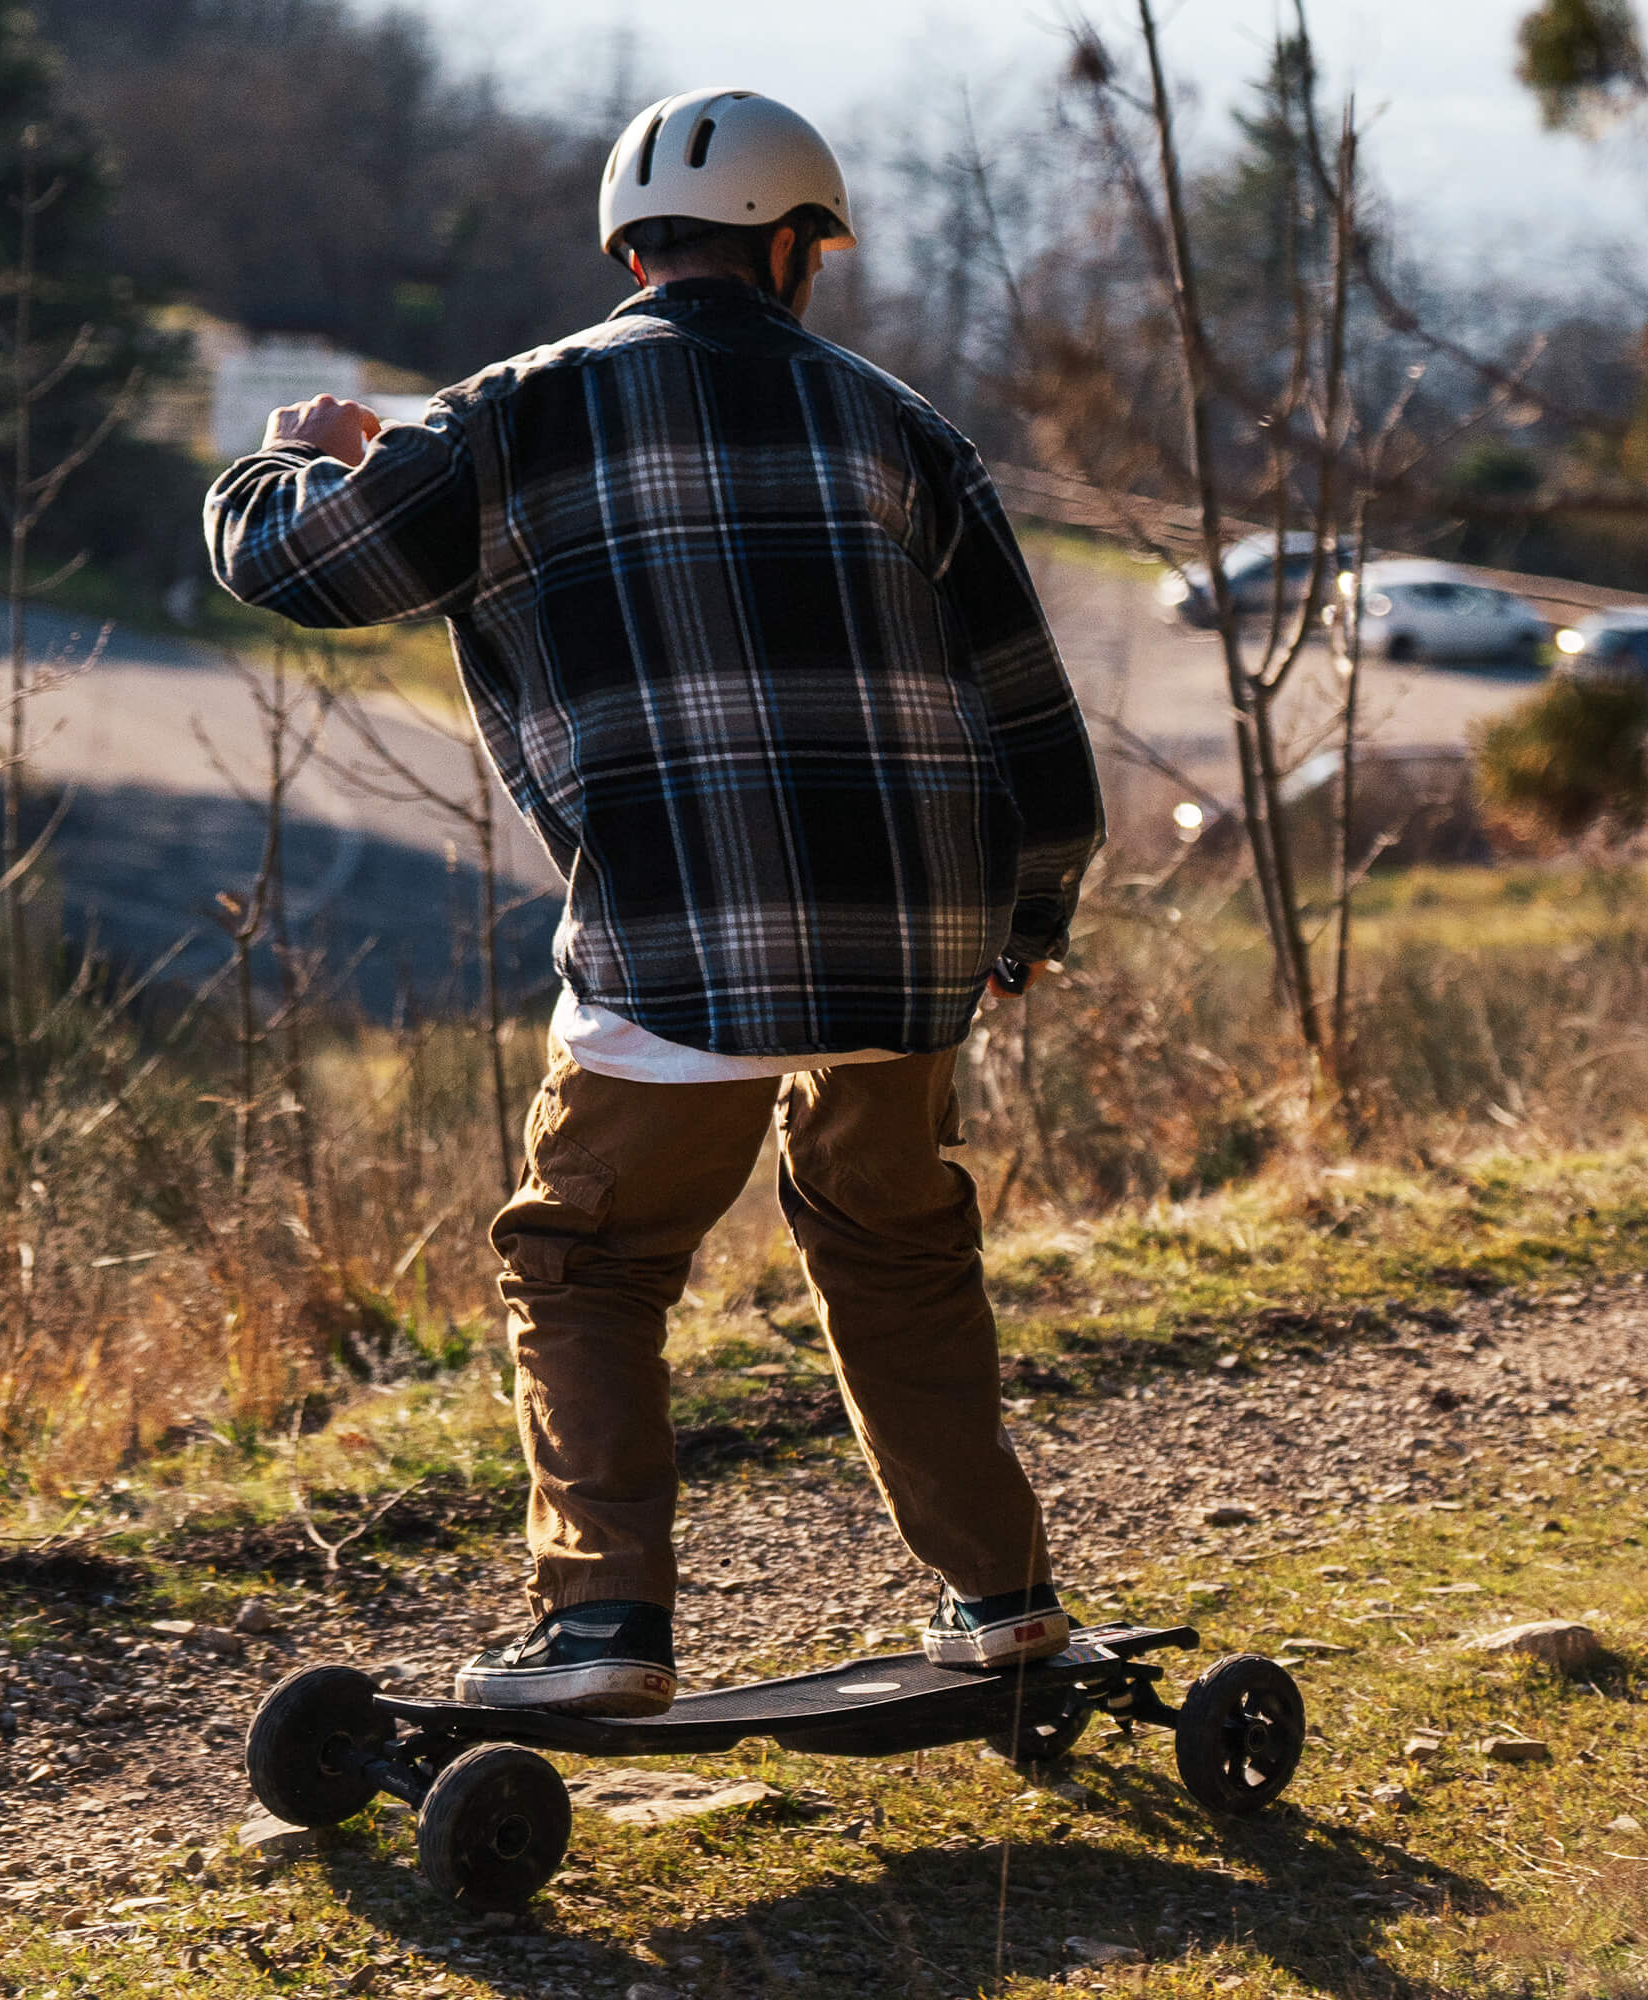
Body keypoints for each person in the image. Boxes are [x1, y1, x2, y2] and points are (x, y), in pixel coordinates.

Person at [204, 86, 1104, 1719]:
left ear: (630, 248)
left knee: (589, 1258)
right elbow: (1025, 705)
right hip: (911, 943)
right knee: (896, 1244)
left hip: (683, 933)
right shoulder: (905, 428)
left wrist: (281, 464)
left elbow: (298, 568)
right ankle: (1003, 1598)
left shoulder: (513, 414)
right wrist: (1030, 918)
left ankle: (604, 1626)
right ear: (796, 255)